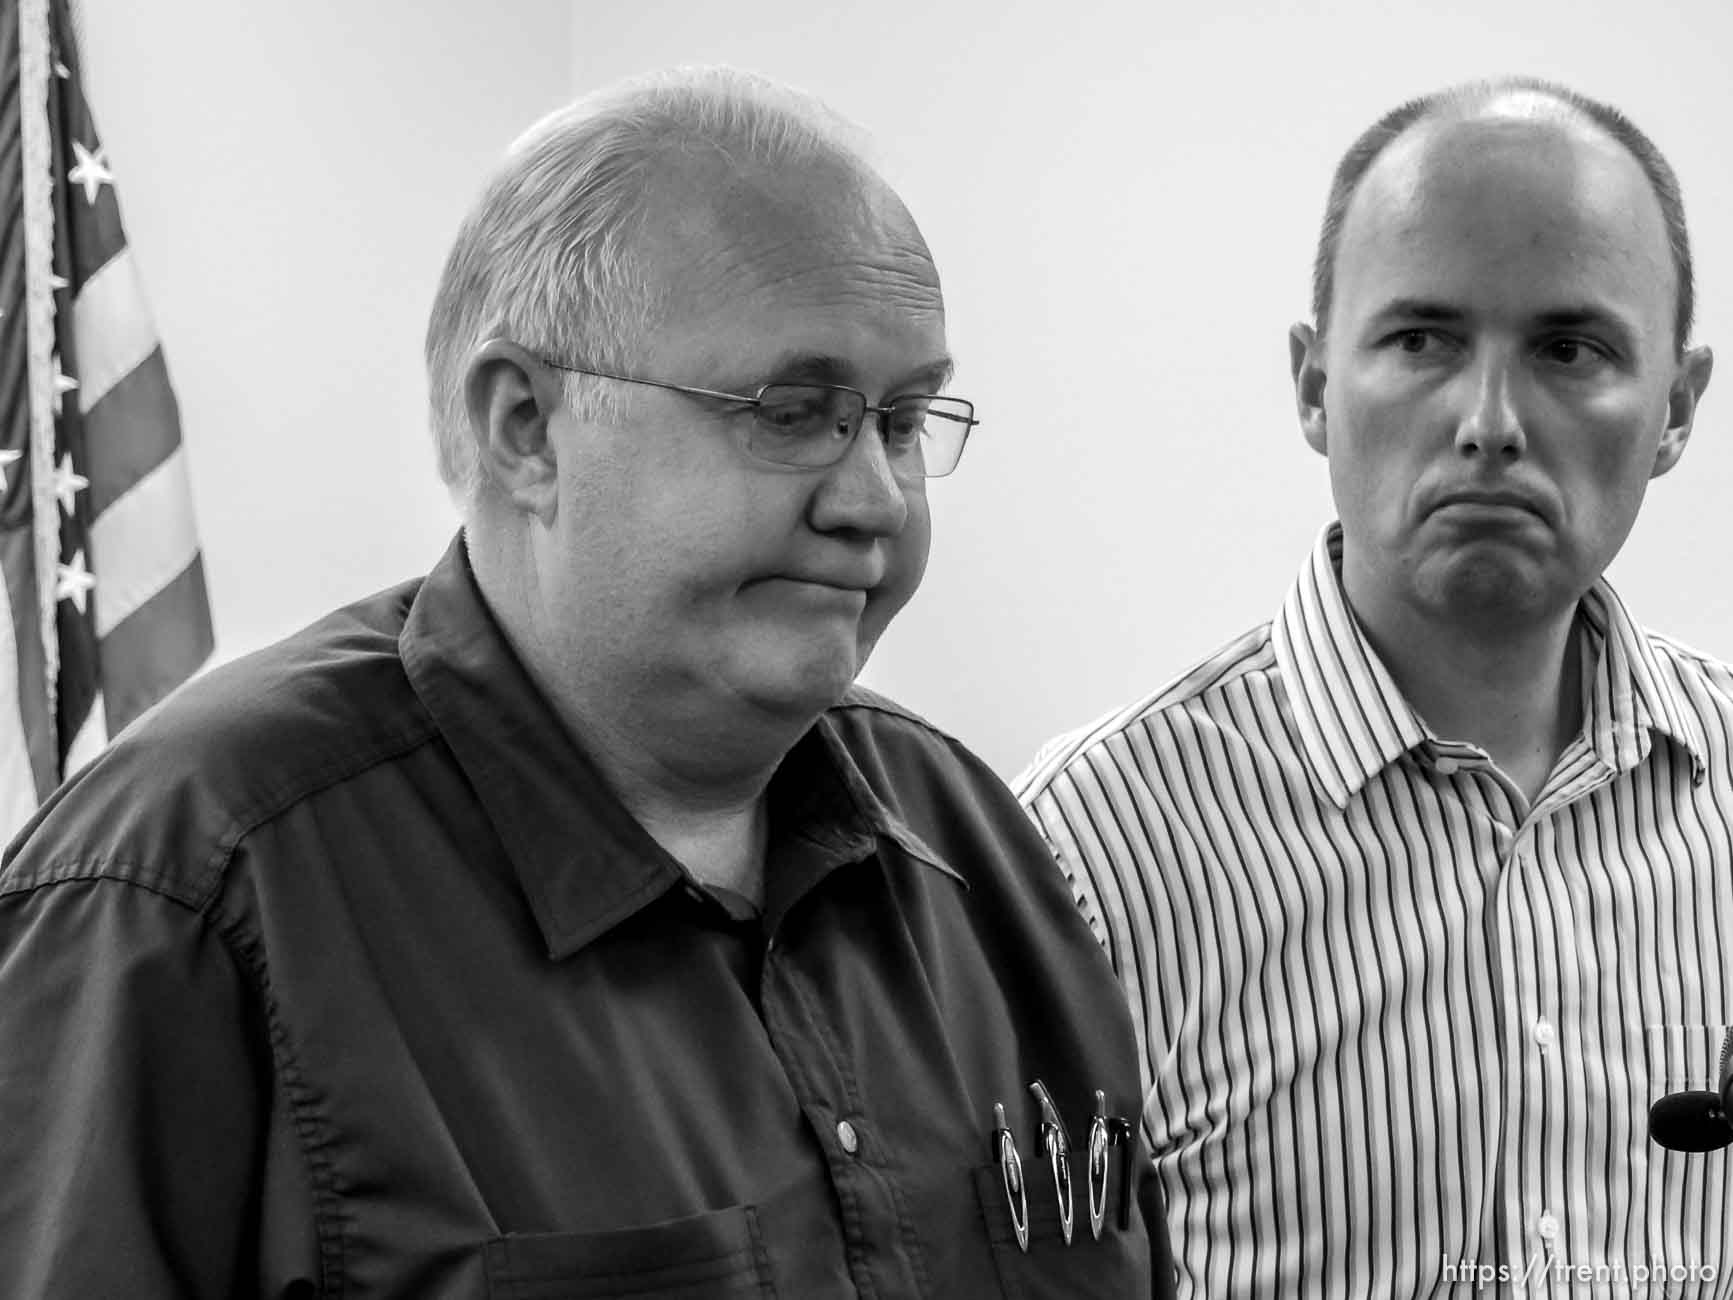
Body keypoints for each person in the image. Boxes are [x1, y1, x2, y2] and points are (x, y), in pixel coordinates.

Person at [0, 68, 1170, 1298]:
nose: (873, 498)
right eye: (791, 409)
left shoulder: (973, 842)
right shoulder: (188, 889)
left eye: (899, 418)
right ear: (525, 428)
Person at [1017, 77, 1730, 1297]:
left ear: (1673, 406)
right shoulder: (1085, 848)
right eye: (1421, 340)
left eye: (1569, 348)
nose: (1489, 422)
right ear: (1310, 385)